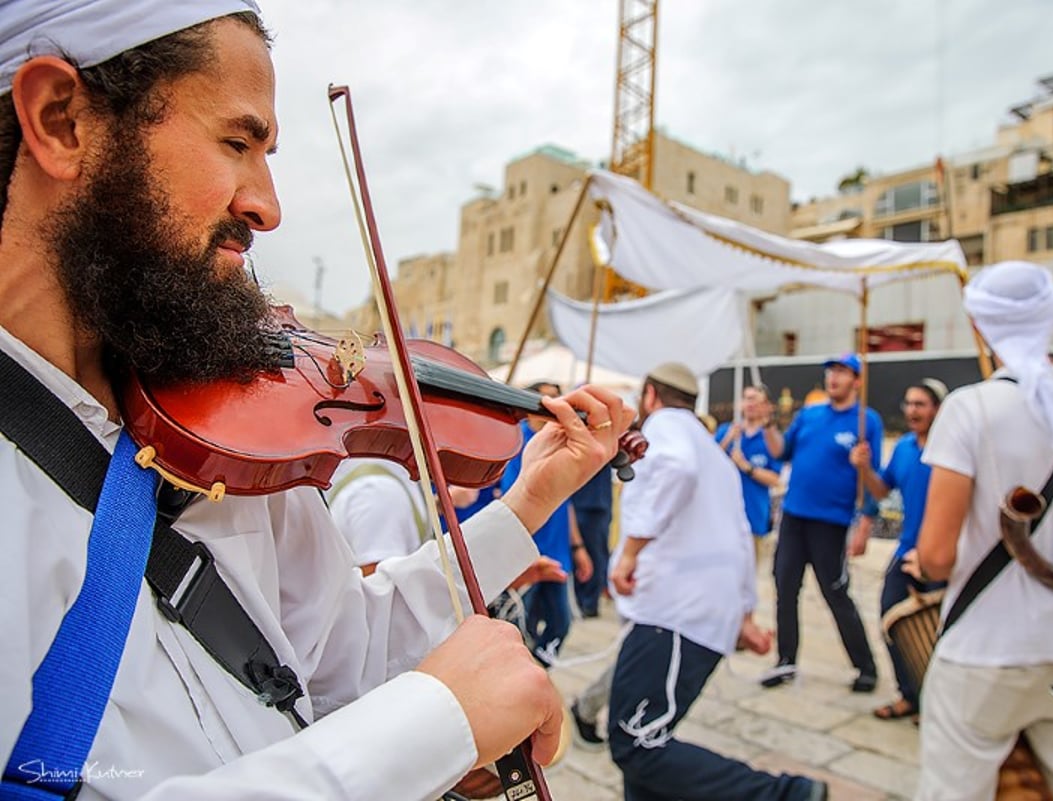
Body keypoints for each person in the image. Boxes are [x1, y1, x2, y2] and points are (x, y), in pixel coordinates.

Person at [0, 6, 636, 799]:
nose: (269, 206)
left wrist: (533, 498)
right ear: (61, 121)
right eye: (238, 143)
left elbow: (346, 658)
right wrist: (417, 733)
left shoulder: (228, 430)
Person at [912, 261, 1053, 801]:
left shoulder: (968, 408)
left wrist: (927, 563)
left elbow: (936, 556)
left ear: (981, 326)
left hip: (987, 646)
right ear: (1050, 317)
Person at [606, 362, 827, 801]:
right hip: (701, 612)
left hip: (673, 612)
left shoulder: (668, 429)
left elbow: (677, 470)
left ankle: (786, 794)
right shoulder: (715, 453)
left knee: (636, 742)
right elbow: (741, 533)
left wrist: (630, 550)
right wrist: (744, 612)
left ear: (650, 396)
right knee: (652, 743)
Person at [762, 353, 880, 691]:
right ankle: (786, 661)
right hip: (794, 517)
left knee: (836, 594)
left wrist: (864, 525)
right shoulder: (809, 415)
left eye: (842, 372)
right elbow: (781, 452)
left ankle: (865, 667)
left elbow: (875, 484)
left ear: (856, 381)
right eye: (831, 371)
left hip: (831, 521)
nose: (833, 378)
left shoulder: (866, 421)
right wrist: (770, 424)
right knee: (785, 589)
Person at [849, 377, 948, 721]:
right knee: (891, 621)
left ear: (937, 409)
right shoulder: (904, 447)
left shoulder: (951, 450)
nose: (911, 410)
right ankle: (909, 694)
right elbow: (880, 491)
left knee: (939, 633)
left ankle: (938, 704)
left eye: (920, 404)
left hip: (942, 553)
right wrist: (864, 469)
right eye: (908, 403)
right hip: (905, 549)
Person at [500, 380, 594, 664]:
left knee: (560, 624)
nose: (559, 403)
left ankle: (536, 672)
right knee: (516, 627)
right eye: (550, 399)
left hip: (557, 551)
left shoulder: (564, 442)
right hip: (527, 553)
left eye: (559, 397)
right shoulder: (516, 442)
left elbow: (567, 501)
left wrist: (578, 548)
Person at [716, 383, 784, 566]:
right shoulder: (726, 431)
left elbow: (776, 479)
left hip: (753, 518)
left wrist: (747, 467)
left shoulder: (771, 438)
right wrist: (728, 439)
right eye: (747, 398)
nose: (750, 404)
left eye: (756, 399)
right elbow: (708, 465)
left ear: (767, 405)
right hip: (722, 518)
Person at [571, 462, 613, 619]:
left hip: (595, 503)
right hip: (580, 498)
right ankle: (581, 600)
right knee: (581, 555)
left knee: (595, 554)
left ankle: (589, 602)